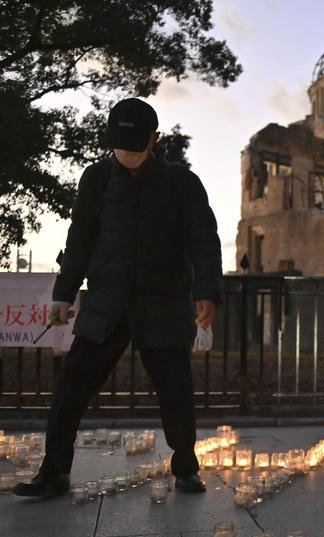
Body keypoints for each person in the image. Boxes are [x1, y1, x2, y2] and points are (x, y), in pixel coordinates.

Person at [14, 98, 223, 499]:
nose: (125, 154)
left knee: (175, 389)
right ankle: (54, 471)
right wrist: (64, 294)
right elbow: (80, 241)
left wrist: (207, 292)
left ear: (154, 139)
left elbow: (204, 242)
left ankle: (186, 467)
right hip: (107, 302)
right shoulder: (97, 178)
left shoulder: (182, 182)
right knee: (71, 386)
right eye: (119, 146)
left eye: (134, 145)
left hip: (162, 303)